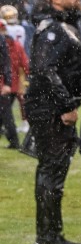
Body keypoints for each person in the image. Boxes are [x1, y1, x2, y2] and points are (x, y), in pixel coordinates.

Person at [25, 0, 81, 244]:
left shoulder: (64, 25)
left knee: (54, 173)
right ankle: (46, 240)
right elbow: (44, 70)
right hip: (50, 111)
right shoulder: (52, 29)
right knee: (51, 172)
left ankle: (53, 235)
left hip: (51, 109)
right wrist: (65, 106)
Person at [0, 18, 29, 149]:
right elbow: (24, 63)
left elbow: (6, 63)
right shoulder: (16, 44)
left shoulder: (5, 43)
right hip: (14, 83)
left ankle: (15, 141)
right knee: (5, 112)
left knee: (6, 114)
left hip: (5, 83)